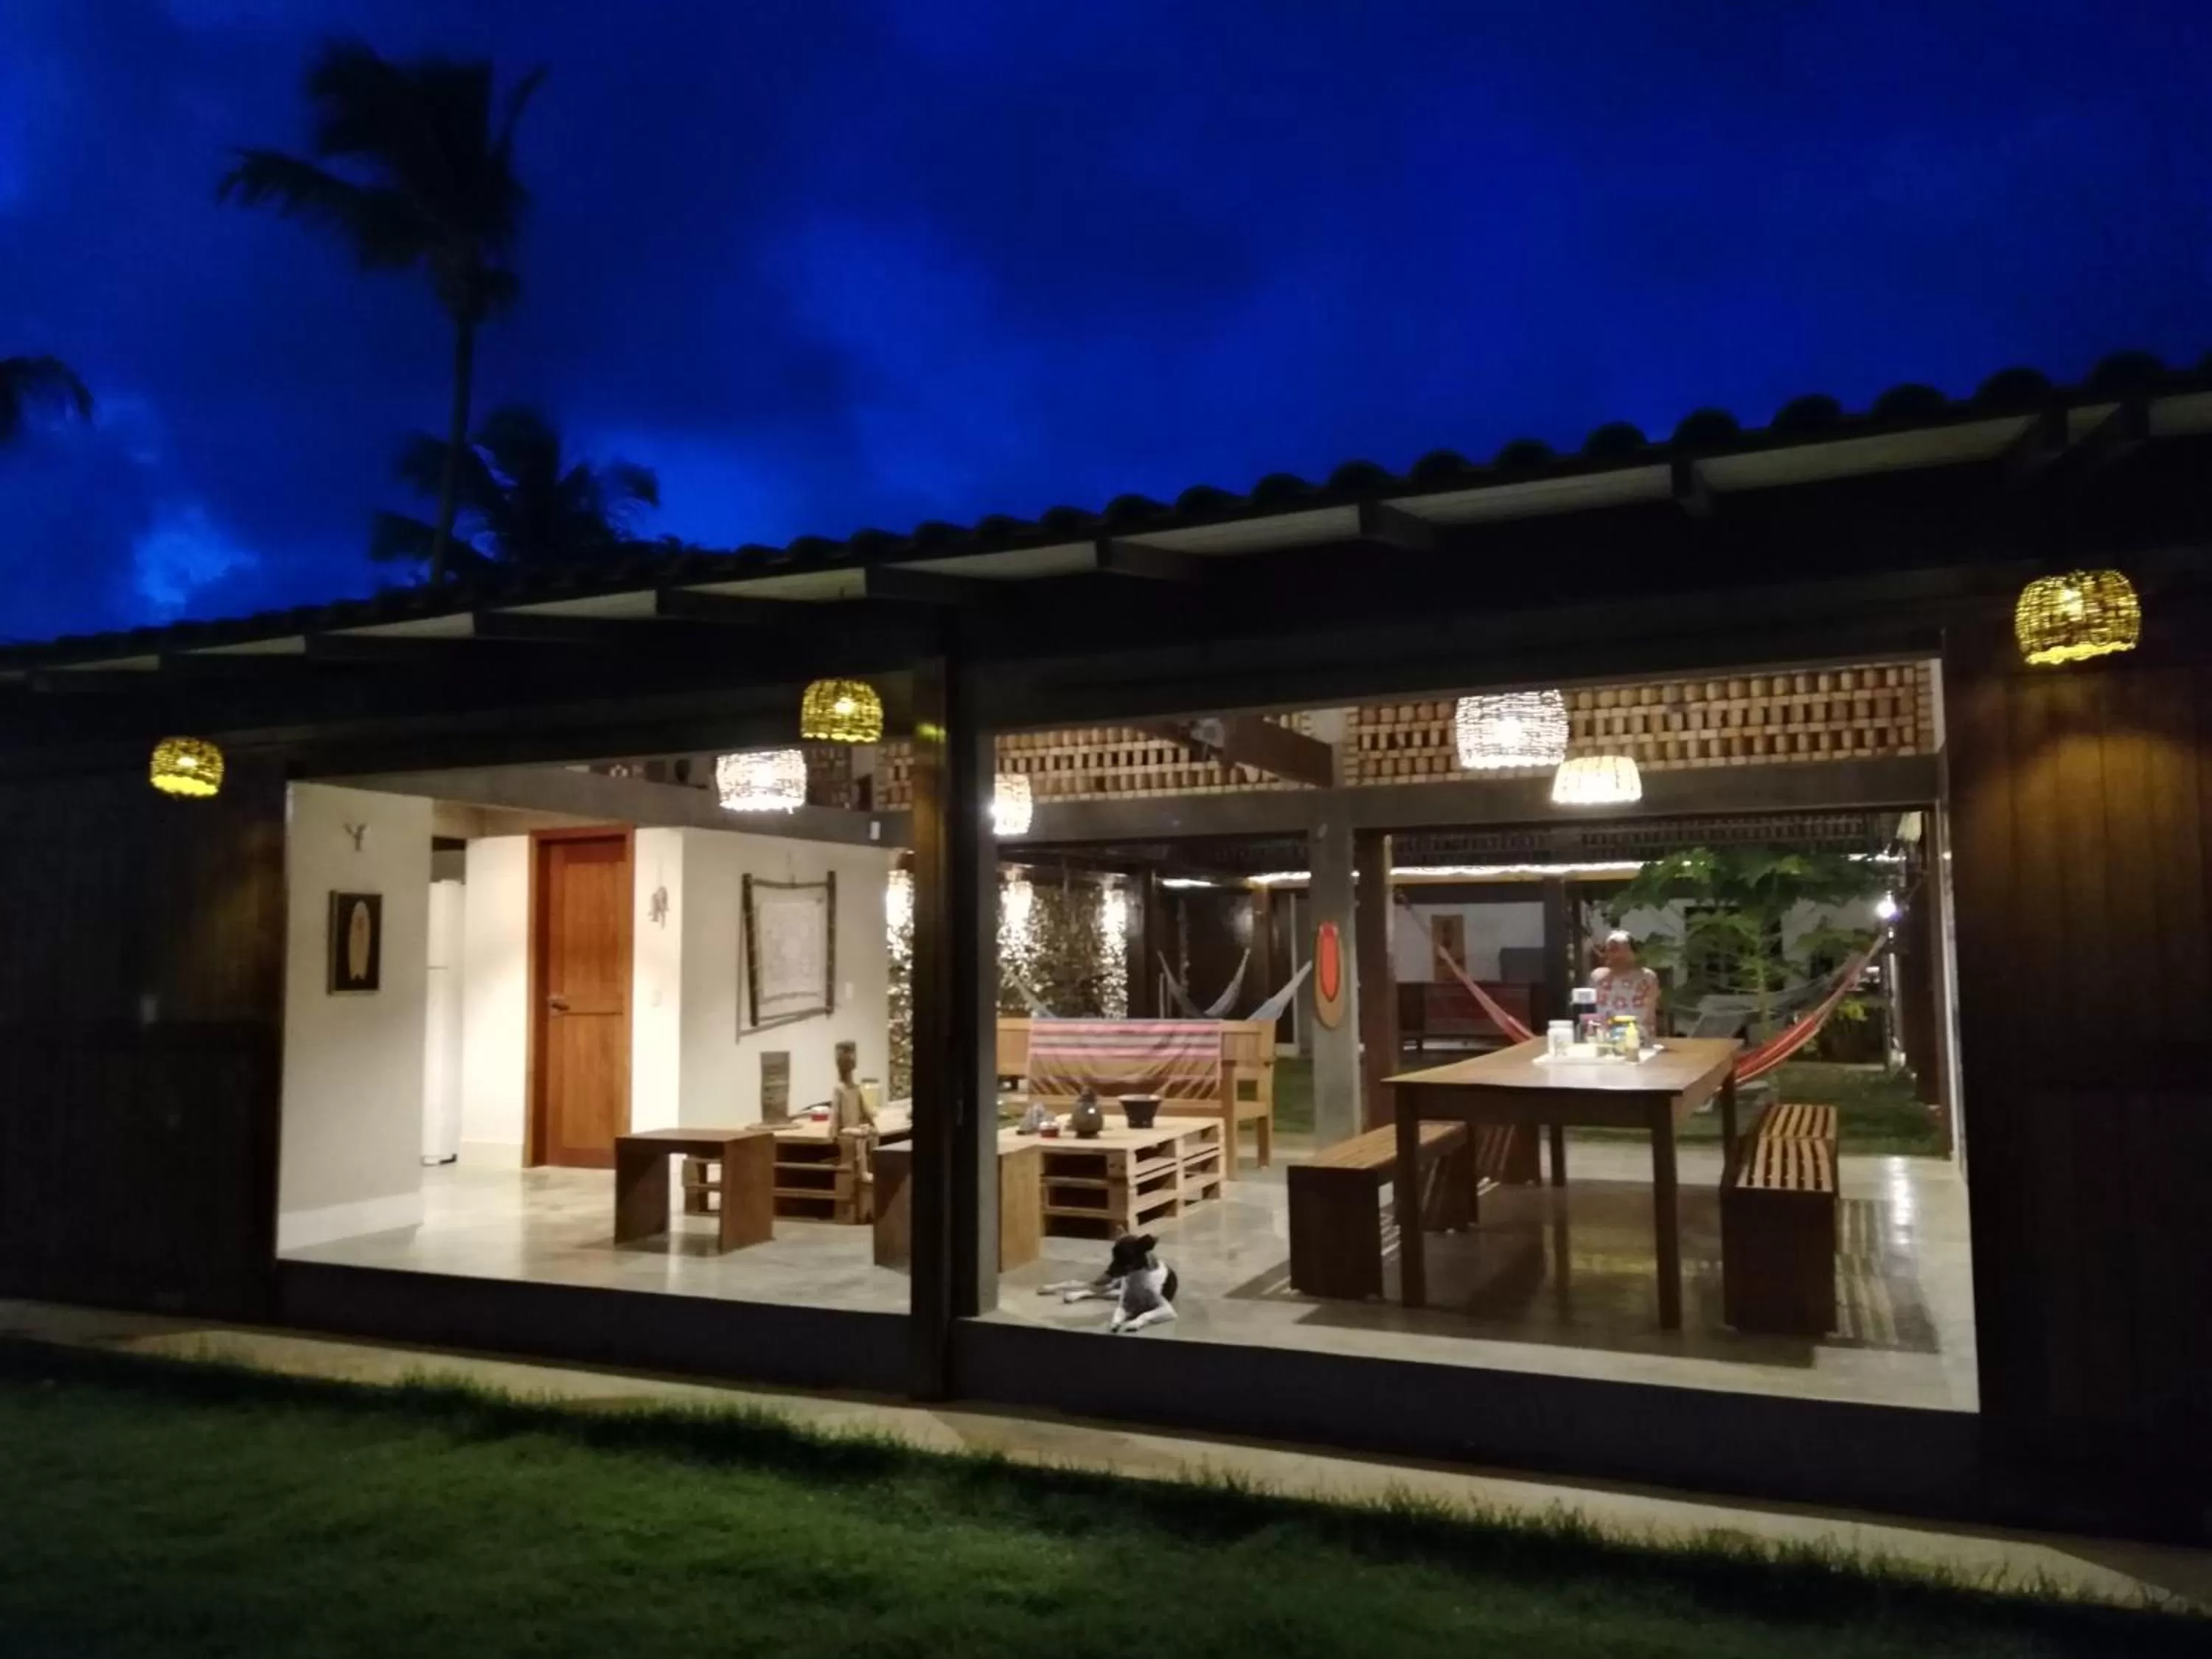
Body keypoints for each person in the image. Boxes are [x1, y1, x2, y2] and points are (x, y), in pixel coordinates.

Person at [1590, 931, 1661, 1035]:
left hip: (1637, 1033)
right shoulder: (1598, 977)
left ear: (1634, 952)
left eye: (1624, 948)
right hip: (1605, 1033)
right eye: (1613, 949)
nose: (1618, 954)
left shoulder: (1647, 977)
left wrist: (1648, 1033)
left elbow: (1650, 1015)